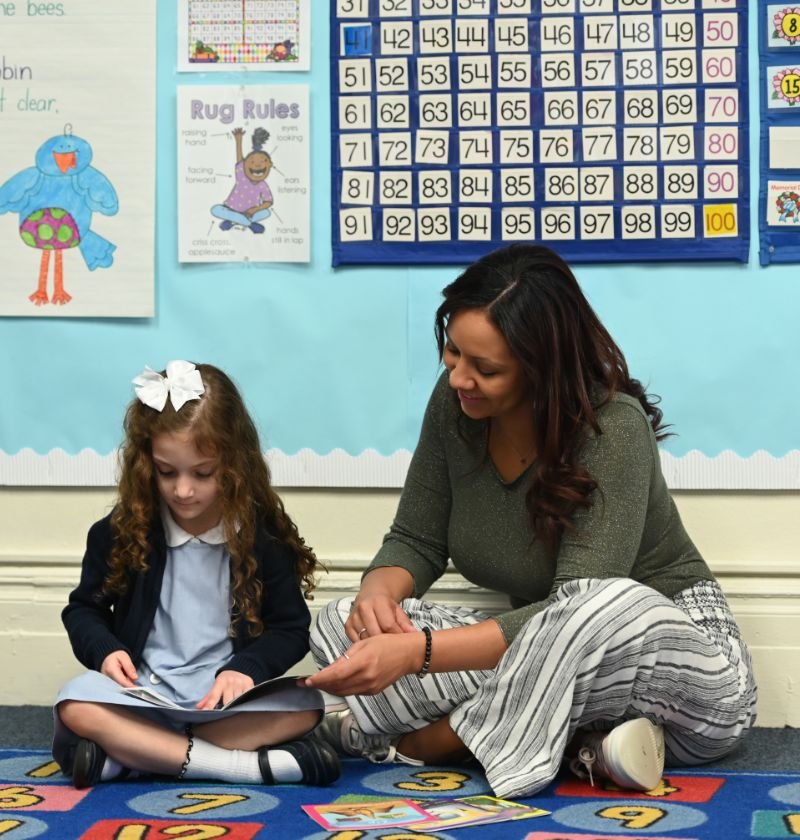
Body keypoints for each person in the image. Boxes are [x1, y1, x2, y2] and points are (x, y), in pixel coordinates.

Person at [306, 243, 757, 799]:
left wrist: (417, 652)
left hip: (679, 663)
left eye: (485, 368)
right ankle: (585, 743)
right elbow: (416, 538)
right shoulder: (456, 407)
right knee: (334, 622)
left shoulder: (613, 429)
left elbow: (578, 612)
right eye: (452, 353)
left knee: (598, 604)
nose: (458, 379)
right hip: (547, 664)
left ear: (543, 368)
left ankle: (433, 742)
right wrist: (378, 600)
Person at [54, 360, 339, 789]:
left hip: (224, 702)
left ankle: (134, 758)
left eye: (202, 473)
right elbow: (83, 611)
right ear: (146, 463)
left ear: (234, 464)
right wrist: (106, 650)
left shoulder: (262, 540)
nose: (183, 490)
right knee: (75, 703)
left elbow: (290, 627)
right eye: (166, 472)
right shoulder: (119, 532)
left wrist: (245, 669)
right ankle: (238, 767)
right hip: (142, 698)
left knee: (307, 706)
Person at [211, 127, 274, 234]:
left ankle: (234, 221)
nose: (258, 165)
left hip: (250, 213)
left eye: (263, 161)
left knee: (267, 213)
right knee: (215, 209)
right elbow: (239, 158)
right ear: (244, 165)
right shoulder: (242, 175)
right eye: (252, 161)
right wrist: (238, 140)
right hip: (232, 210)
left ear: (270, 165)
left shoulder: (263, 185)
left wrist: (254, 210)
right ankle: (249, 224)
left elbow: (268, 202)